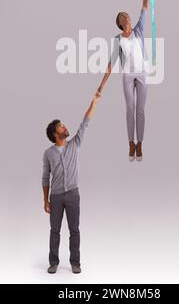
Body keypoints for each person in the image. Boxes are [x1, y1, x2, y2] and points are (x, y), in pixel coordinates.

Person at [42, 92, 101, 274]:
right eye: (61, 126)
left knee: (74, 230)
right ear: (55, 133)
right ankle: (53, 262)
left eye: (63, 125)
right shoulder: (48, 153)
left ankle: (75, 262)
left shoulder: (74, 144)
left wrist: (94, 102)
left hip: (73, 194)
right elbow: (45, 177)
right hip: (56, 197)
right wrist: (46, 200)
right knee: (55, 231)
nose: (65, 127)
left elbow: (85, 123)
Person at [97, 0, 151, 162]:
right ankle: (130, 142)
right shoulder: (117, 40)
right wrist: (101, 86)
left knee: (141, 110)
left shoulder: (138, 30)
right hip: (128, 76)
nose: (126, 16)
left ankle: (140, 143)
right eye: (122, 16)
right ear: (119, 23)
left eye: (127, 14)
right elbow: (111, 64)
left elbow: (144, 6)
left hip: (142, 73)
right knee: (130, 108)